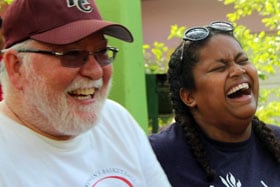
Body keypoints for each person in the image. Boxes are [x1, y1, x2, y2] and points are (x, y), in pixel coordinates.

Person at [0, 0, 171, 186]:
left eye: (102, 52)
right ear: (16, 67)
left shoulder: (116, 119)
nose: (96, 71)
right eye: (72, 54)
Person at [149, 21, 280, 187]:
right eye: (219, 68)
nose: (239, 70)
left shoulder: (276, 143)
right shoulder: (158, 156)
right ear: (189, 96)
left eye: (242, 60)